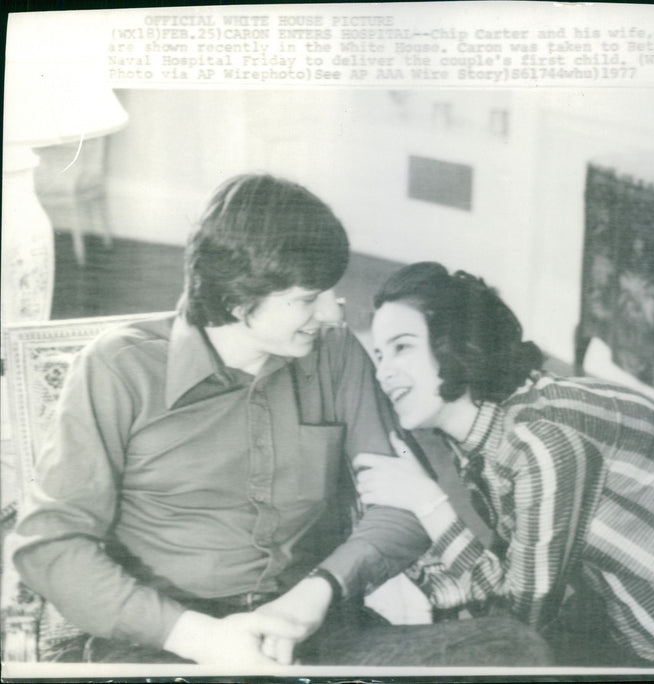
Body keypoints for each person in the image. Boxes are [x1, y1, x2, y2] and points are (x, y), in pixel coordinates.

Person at [9, 174, 437, 666]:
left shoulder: (335, 355)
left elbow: (405, 505)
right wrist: (199, 638)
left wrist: (310, 601)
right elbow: (50, 542)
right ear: (237, 299)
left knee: (507, 652)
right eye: (306, 298)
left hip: (311, 626)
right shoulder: (119, 367)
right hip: (161, 641)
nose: (334, 315)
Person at [356, 261, 654, 667]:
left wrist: (428, 502)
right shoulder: (494, 431)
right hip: (652, 622)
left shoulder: (543, 439)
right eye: (379, 355)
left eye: (401, 348)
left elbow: (515, 629)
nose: (383, 373)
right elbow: (513, 577)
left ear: (457, 344)